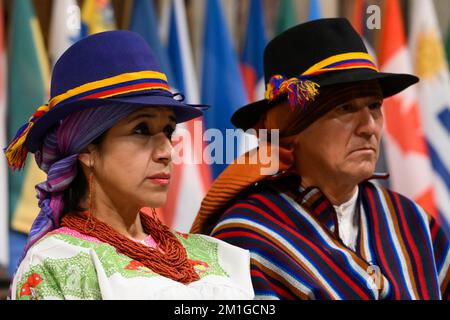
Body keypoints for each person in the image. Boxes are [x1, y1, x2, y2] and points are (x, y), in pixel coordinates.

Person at [191, 18, 450, 300]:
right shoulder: (245, 237)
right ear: (292, 128)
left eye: (375, 106)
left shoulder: (412, 223)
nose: (369, 126)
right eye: (346, 107)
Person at [5, 31, 254, 300]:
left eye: (168, 131)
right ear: (87, 149)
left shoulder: (205, 252)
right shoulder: (56, 263)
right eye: (141, 130)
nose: (167, 151)